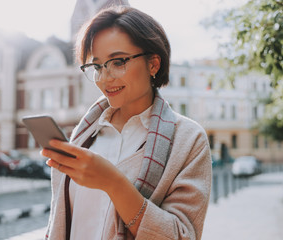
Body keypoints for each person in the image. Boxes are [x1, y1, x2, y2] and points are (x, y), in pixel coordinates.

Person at [42, 5, 212, 240]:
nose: (104, 78)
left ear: (153, 64)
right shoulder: (84, 135)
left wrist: (113, 183)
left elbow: (183, 235)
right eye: (97, 66)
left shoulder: (189, 140)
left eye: (118, 62)